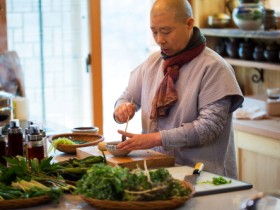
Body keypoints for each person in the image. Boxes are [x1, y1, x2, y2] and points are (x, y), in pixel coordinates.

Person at [113, 0, 243, 179]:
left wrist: (155, 139)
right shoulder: (152, 63)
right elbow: (127, 97)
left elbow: (208, 127)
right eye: (154, 31)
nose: (160, 39)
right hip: (160, 171)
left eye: (166, 31)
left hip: (205, 177)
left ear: (189, 24)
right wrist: (121, 109)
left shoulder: (214, 68)